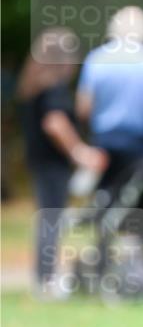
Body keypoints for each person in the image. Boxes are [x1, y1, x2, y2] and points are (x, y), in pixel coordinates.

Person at [17, 29, 107, 294]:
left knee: (48, 217)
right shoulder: (54, 89)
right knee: (52, 219)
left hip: (39, 161)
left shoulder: (33, 86)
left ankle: (44, 277)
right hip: (52, 164)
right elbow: (55, 123)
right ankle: (47, 280)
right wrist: (79, 151)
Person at [75, 6, 143, 192]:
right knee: (135, 193)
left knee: (105, 193)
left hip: (104, 138)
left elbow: (84, 107)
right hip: (140, 140)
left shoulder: (96, 59)